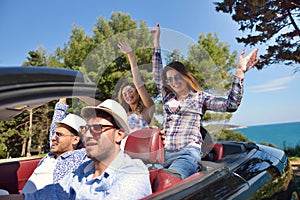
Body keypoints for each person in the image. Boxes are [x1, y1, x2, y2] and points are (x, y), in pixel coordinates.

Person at [151, 22, 259, 179]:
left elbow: (231, 105)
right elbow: (157, 71)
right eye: (170, 79)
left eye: (177, 77)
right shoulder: (167, 97)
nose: (174, 82)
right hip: (164, 154)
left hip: (187, 153)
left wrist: (239, 73)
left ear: (186, 77)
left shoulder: (200, 97)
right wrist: (156, 41)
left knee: (169, 180)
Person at [19, 99, 151, 199]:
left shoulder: (132, 173)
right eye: (86, 129)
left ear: (119, 135)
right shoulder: (82, 171)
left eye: (98, 128)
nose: (88, 134)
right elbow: (42, 196)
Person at [21, 98, 87, 194]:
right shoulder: (54, 150)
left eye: (59, 135)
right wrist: (64, 95)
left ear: (75, 139)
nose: (52, 138)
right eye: (54, 133)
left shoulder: (80, 156)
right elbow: (59, 113)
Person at [117, 41, 155, 132]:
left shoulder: (147, 109)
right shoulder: (123, 114)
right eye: (124, 94)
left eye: (130, 91)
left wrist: (130, 55)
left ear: (138, 93)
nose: (128, 95)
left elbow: (138, 82)